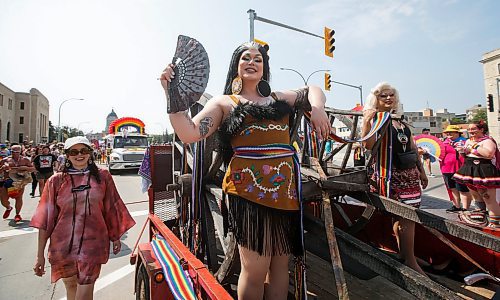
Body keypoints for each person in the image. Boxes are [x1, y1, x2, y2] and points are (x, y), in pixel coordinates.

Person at [160, 41, 330, 299]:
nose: (252, 62)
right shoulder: (224, 103)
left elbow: (314, 89)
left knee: (280, 265)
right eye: (245, 58)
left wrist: (317, 109)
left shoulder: (278, 98)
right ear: (236, 66)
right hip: (248, 195)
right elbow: (189, 132)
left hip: (285, 195)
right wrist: (171, 95)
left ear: (264, 68)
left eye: (258, 59)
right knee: (255, 269)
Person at [31, 136, 136, 299]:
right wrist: (39, 256)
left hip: (93, 244)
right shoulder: (56, 181)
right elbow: (45, 220)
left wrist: (115, 237)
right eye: (74, 151)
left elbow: (112, 207)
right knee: (71, 288)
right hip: (63, 246)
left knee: (85, 293)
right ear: (66, 154)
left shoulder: (103, 177)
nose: (79, 155)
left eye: (84, 151)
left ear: (90, 153)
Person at [362, 82, 428, 275]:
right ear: (376, 99)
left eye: (391, 95)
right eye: (384, 96)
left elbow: (413, 148)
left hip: (409, 174)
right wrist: (366, 122)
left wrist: (421, 171)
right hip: (392, 176)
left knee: (404, 217)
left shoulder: (400, 120)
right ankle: (410, 260)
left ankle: (405, 255)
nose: (389, 98)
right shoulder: (378, 119)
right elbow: (367, 145)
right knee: (407, 217)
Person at [453, 121, 500, 228]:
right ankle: (481, 220)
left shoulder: (488, 140)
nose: (471, 131)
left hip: (484, 170)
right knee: (476, 196)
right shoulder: (469, 140)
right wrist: (462, 152)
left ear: (482, 129)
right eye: (469, 129)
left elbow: (489, 154)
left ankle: (495, 225)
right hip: (470, 169)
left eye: (473, 129)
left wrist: (473, 148)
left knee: (488, 199)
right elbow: (467, 156)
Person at [440, 125, 471, 212]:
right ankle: (456, 206)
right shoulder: (444, 143)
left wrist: (462, 150)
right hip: (446, 168)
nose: (448, 134)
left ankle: (465, 208)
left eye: (451, 132)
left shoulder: (465, 142)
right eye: (447, 132)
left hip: (461, 168)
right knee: (452, 187)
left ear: (457, 133)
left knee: (462, 189)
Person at [1, 144, 36, 222]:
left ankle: (17, 214)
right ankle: (8, 208)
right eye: (13, 151)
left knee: (18, 198)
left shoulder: (25, 160)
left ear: (20, 151)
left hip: (20, 181)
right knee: (3, 199)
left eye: (17, 152)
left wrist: (25, 168)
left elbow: (33, 169)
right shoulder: (5, 160)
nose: (15, 153)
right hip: (7, 181)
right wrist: (3, 168)